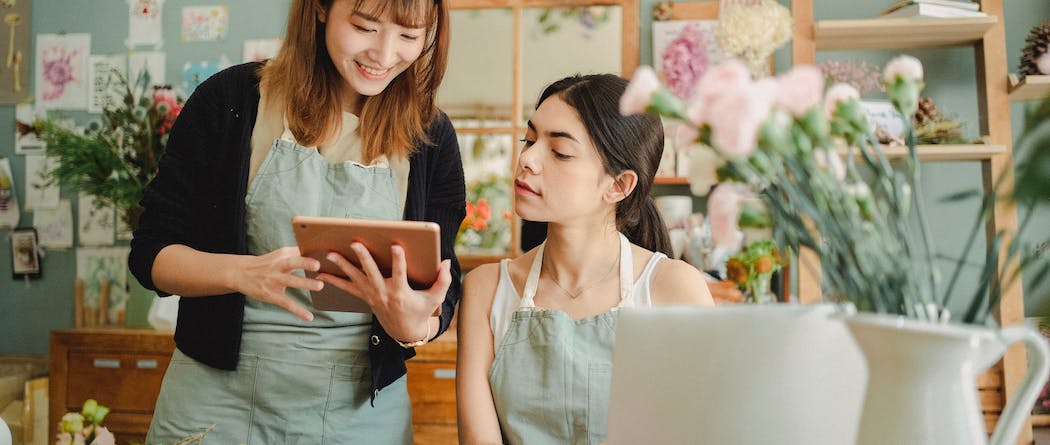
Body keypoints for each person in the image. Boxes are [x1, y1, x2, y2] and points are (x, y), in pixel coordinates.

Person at [128, 0, 464, 443]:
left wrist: (414, 326)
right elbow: (151, 252)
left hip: (360, 413)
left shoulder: (431, 135)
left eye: (408, 36)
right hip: (214, 402)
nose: (384, 55)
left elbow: (441, 282)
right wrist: (243, 272)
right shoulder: (230, 100)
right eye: (364, 27)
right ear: (321, 9)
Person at [456, 74, 715, 445]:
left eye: (559, 152)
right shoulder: (486, 289)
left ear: (618, 185)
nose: (526, 159)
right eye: (528, 141)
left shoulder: (674, 288)